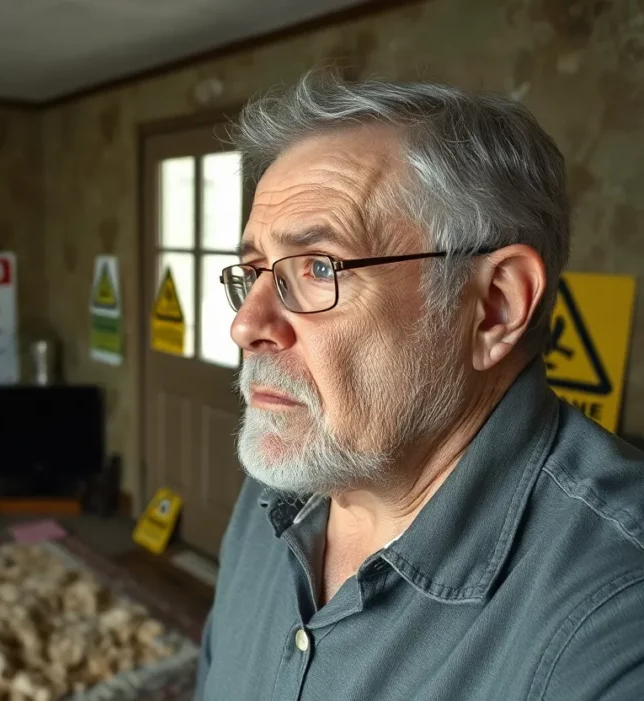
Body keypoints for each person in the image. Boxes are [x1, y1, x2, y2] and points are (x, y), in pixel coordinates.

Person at [196, 72, 644, 701]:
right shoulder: (277, 488)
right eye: (253, 271)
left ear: (495, 306)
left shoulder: (616, 617)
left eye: (318, 267)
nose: (246, 325)